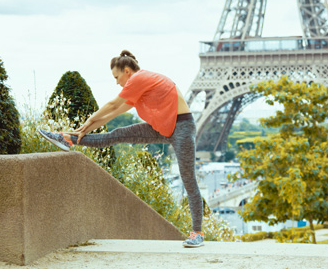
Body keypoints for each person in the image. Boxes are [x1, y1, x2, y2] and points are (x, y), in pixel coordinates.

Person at [39, 50, 204, 247]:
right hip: (162, 128)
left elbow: (112, 104)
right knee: (116, 134)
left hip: (182, 127)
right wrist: (83, 130)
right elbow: (112, 113)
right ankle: (69, 139)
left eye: (117, 77)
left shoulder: (141, 78)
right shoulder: (138, 88)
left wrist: (89, 119)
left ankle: (197, 232)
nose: (116, 82)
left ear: (127, 71)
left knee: (188, 178)